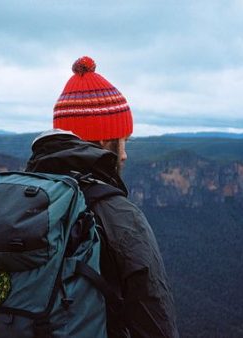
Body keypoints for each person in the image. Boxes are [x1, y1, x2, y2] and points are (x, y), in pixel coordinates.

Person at [26, 56, 179, 338]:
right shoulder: (119, 214)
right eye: (123, 140)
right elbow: (155, 319)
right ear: (104, 141)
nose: (125, 154)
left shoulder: (25, 195)